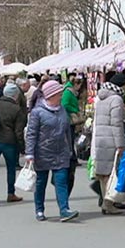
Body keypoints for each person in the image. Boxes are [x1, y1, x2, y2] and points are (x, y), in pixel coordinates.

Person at [24, 80, 79, 222]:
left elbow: (67, 130)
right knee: (41, 182)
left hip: (61, 152)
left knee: (61, 181)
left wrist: (70, 148)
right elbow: (31, 134)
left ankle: (64, 210)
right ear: (51, 95)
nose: (61, 96)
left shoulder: (62, 110)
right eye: (58, 94)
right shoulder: (37, 112)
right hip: (42, 152)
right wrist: (29, 153)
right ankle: (39, 209)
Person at [0, 85, 28, 208]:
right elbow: (19, 132)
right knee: (11, 168)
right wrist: (22, 148)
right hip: (9, 142)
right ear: (15, 95)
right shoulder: (16, 109)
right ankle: (10, 193)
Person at [90, 72, 125, 214]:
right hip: (111, 139)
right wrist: (121, 144)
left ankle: (107, 200)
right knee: (113, 172)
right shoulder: (116, 100)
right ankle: (109, 202)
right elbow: (117, 123)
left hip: (101, 139)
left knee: (104, 173)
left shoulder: (101, 97)